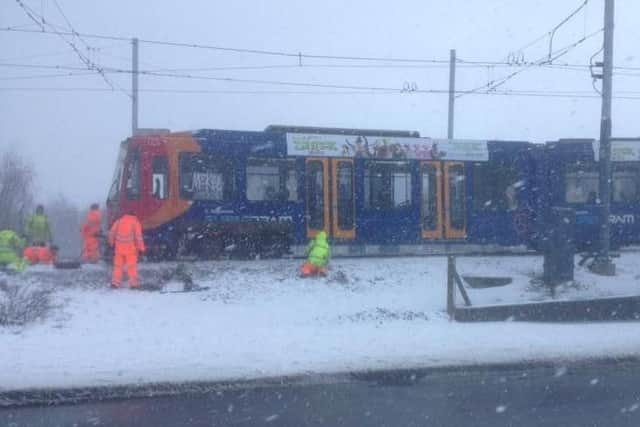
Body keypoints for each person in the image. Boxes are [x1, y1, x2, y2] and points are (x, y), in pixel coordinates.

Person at [108, 211, 145, 289]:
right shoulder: (135, 222)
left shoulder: (118, 222)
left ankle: (115, 283)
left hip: (119, 250)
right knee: (132, 267)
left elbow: (111, 233)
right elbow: (138, 237)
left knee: (118, 267)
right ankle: (133, 284)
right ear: (133, 215)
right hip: (130, 250)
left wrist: (111, 244)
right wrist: (141, 249)